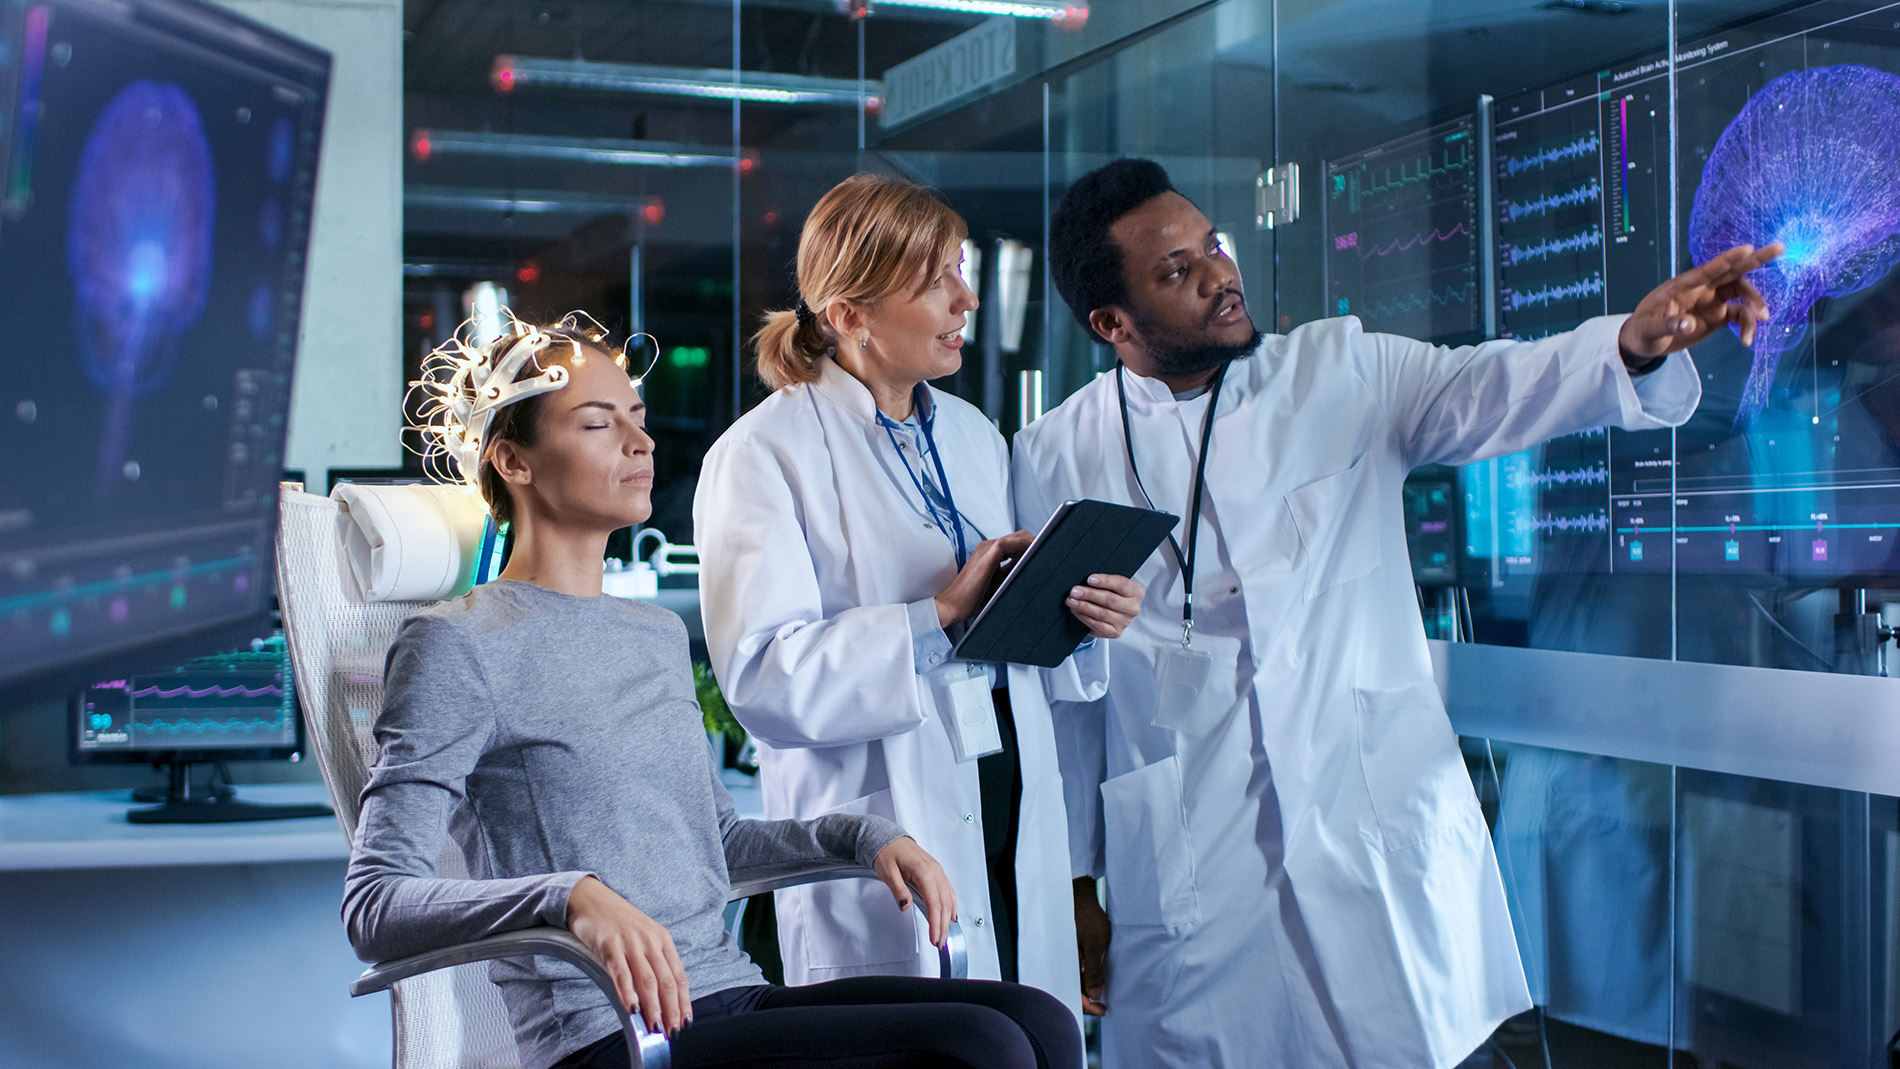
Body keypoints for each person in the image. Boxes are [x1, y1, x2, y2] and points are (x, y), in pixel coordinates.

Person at [1011, 158, 1781, 1069]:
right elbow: (1056, 693)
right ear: (1112, 323)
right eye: (1176, 272)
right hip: (1191, 865)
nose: (1221, 275)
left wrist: (1633, 344)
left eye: (1212, 245)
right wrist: (1070, 879)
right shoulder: (1052, 455)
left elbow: (1500, 386)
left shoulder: (1340, 371)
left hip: (1366, 823)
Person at [343, 313, 1083, 1069]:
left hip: (729, 995)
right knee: (979, 1045)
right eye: (599, 425)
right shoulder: (459, 644)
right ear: (514, 462)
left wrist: (865, 834)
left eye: (639, 418)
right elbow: (375, 904)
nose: (642, 444)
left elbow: (719, 847)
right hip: (616, 1035)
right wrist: (571, 896)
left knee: (1039, 1018)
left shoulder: (654, 632)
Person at [692, 174, 1142, 1039]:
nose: (966, 300)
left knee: (1027, 1032)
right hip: (891, 817)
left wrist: (1079, 613)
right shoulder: (762, 453)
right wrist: (931, 614)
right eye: (935, 280)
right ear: (848, 313)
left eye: (961, 273)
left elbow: (1002, 625)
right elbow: (760, 678)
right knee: (928, 1041)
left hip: (1011, 789)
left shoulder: (975, 434)